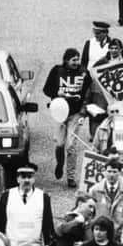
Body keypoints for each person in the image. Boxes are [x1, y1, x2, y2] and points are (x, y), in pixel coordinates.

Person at [43, 48, 92, 188]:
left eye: (78, 59)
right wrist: (56, 93)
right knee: (59, 144)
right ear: (66, 60)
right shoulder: (57, 71)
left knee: (71, 146)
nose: (76, 62)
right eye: (73, 60)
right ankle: (60, 163)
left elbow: (88, 93)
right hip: (59, 111)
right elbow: (46, 89)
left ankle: (71, 177)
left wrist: (83, 111)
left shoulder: (84, 73)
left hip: (75, 114)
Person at [89, 158, 123, 239]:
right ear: (105, 172)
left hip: (120, 235)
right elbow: (90, 214)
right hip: (101, 234)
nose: (111, 175)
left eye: (114, 172)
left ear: (120, 173)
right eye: (109, 171)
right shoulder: (95, 190)